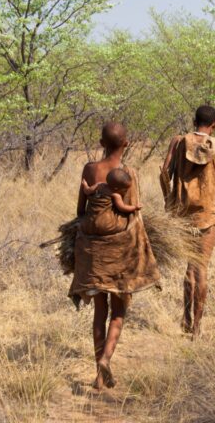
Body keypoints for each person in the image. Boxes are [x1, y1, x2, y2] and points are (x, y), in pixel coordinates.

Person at [69, 122, 161, 390]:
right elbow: (133, 215)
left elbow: (80, 210)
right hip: (120, 249)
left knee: (100, 309)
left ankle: (98, 372)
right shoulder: (129, 173)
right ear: (127, 144)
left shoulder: (89, 169)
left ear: (101, 143)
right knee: (119, 311)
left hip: (92, 248)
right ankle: (106, 361)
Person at [161, 105, 215, 339]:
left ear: (193, 120)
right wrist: (210, 199)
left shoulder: (178, 142)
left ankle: (186, 319)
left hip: (183, 216)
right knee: (201, 269)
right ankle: (197, 326)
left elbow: (164, 173)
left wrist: (170, 201)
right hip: (207, 216)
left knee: (190, 267)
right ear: (214, 124)